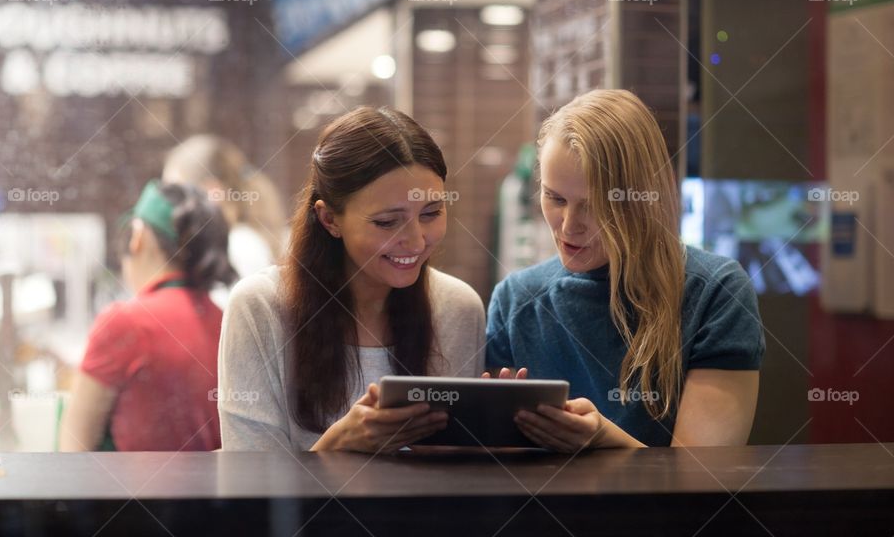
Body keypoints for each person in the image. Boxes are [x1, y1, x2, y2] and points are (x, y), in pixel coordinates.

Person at [486, 89, 765, 450]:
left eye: (594, 206)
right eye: (555, 198)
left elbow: (703, 483)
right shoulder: (515, 298)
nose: (569, 226)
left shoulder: (716, 292)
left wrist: (604, 439)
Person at [218, 106, 485, 453]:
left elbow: (459, 483)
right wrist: (335, 448)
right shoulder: (260, 307)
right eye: (387, 222)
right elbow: (250, 491)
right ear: (329, 219)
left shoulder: (458, 308)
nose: (417, 241)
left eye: (431, 213)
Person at [61, 181, 237, 451]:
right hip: (216, 493)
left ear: (137, 236)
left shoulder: (125, 323)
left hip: (133, 494)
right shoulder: (228, 323)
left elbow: (73, 451)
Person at [163, 134, 287, 278]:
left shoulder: (240, 248)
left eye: (176, 192)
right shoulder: (238, 243)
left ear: (211, 191)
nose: (167, 202)